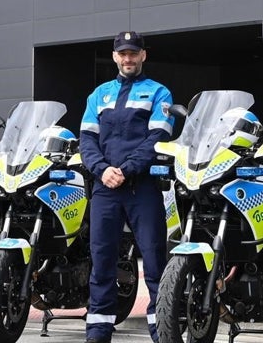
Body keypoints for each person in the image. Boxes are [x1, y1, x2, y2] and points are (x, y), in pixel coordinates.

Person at [79, 31, 175, 343]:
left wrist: (126, 168)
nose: (128, 58)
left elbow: (157, 138)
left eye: (134, 52)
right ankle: (98, 327)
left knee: (154, 257)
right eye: (123, 53)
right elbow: (86, 141)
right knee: (102, 257)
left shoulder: (159, 93)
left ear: (143, 55)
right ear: (115, 56)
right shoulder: (99, 95)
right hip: (105, 187)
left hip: (142, 186)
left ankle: (160, 327)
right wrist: (102, 169)